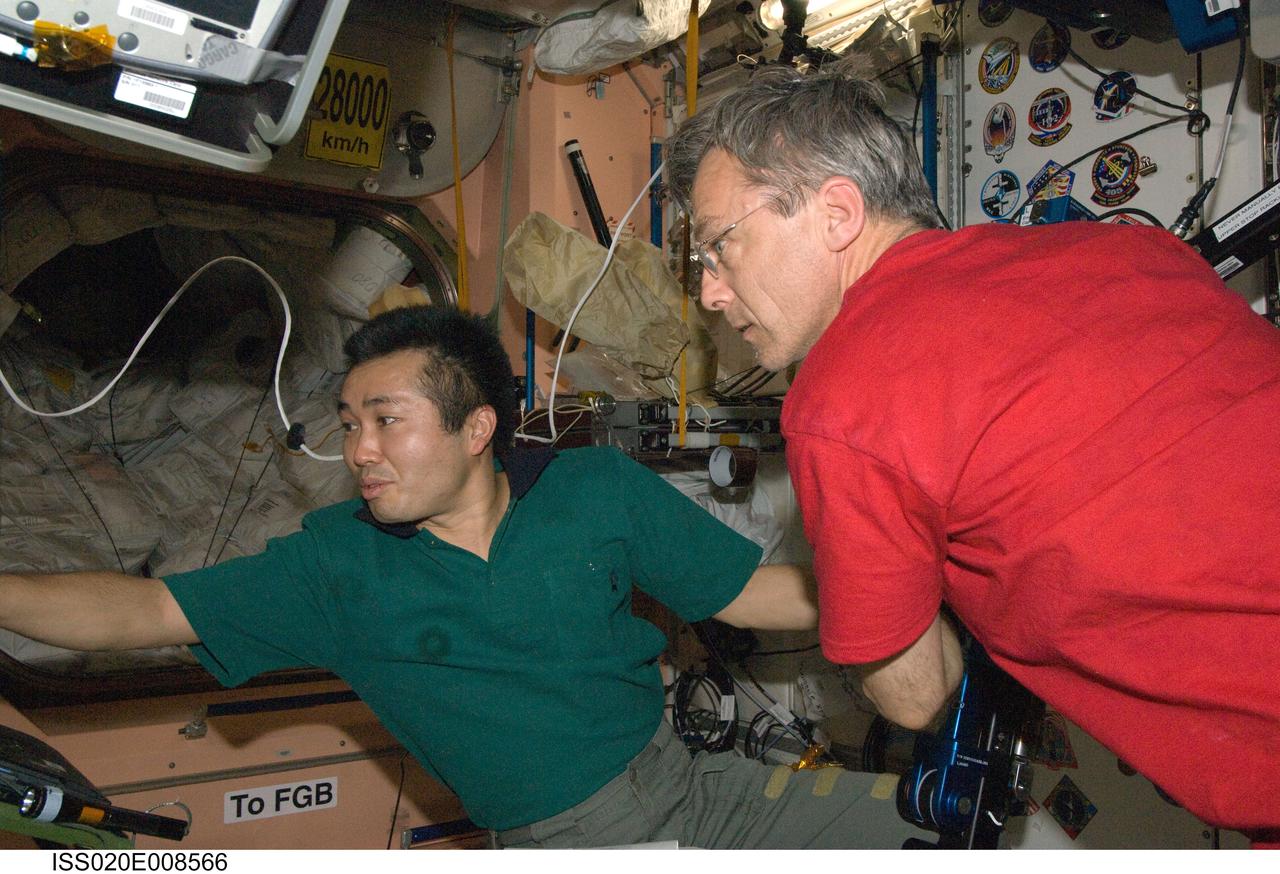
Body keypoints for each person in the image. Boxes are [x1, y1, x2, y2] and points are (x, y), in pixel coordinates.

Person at [0, 304, 931, 849]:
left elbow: (759, 596)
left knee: (938, 833)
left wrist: (931, 576)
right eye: (349, 422)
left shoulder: (596, 491)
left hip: (700, 789)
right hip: (566, 843)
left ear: (476, 428)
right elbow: (141, 609)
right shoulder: (336, 564)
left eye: (385, 420)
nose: (357, 451)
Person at [665, 62, 1280, 842]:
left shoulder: (845, 395)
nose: (712, 293)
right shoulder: (1120, 252)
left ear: (837, 212)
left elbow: (917, 697)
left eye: (720, 248)